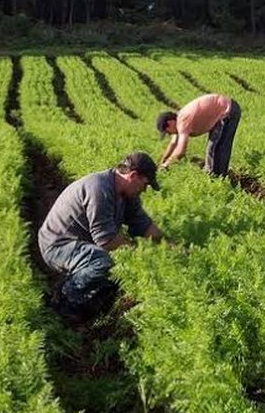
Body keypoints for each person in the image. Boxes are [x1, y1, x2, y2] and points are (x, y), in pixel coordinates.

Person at [38, 152, 165, 322]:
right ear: (133, 176)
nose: (144, 190)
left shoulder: (127, 194)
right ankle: (64, 297)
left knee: (111, 276)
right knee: (102, 261)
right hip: (57, 245)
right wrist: (142, 255)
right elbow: (107, 241)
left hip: (79, 244)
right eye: (145, 184)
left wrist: (170, 245)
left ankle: (90, 299)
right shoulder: (100, 189)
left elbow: (143, 224)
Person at [156, 93, 242, 177]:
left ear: (170, 122)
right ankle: (215, 176)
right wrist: (162, 162)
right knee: (214, 147)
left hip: (229, 111)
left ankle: (217, 177)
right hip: (222, 111)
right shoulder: (179, 119)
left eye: (168, 132)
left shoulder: (183, 121)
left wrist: (166, 165)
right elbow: (173, 144)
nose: (169, 134)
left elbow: (181, 151)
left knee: (218, 147)